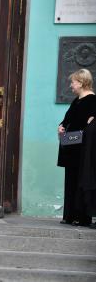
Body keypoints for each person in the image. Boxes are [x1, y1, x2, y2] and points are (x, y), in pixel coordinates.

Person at [57, 68, 96, 227]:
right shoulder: (76, 100)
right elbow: (68, 119)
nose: (71, 85)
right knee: (71, 180)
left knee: (81, 180)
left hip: (83, 150)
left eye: (73, 82)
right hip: (72, 146)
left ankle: (82, 216)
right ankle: (70, 215)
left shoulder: (93, 100)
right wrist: (61, 126)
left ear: (81, 83)